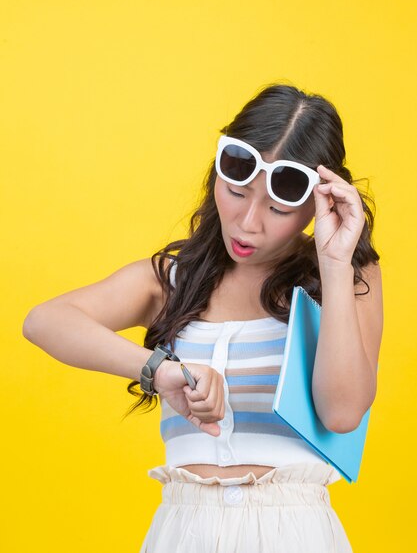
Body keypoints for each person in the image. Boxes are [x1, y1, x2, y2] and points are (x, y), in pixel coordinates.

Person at [22, 83, 383, 553]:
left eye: (277, 207)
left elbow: (342, 413)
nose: (248, 221)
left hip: (294, 534)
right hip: (183, 531)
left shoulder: (348, 274)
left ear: (321, 202)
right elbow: (45, 321)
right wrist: (159, 370)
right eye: (236, 191)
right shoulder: (172, 280)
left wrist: (334, 265)